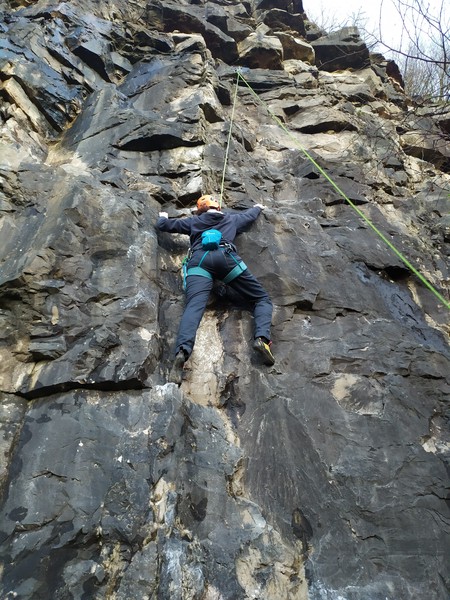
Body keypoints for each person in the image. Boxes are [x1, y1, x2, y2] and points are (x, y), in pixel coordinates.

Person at [156, 194, 274, 384]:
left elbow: (164, 225)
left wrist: (162, 216)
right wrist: (258, 207)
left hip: (199, 261)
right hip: (226, 258)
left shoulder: (194, 221)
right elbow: (250, 216)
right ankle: (262, 339)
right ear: (217, 207)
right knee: (261, 299)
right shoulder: (231, 219)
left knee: (194, 307)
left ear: (200, 209)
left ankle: (182, 352)